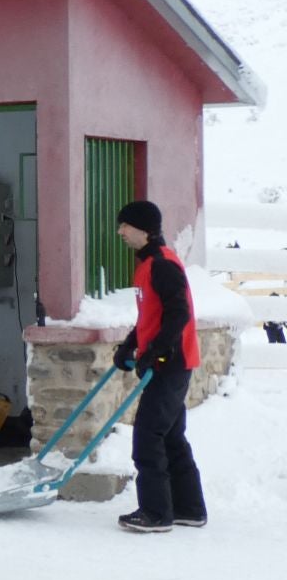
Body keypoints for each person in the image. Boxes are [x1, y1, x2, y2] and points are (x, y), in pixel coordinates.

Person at [111, 200, 208, 533]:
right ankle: (189, 509)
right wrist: (130, 345)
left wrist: (157, 351)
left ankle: (155, 513)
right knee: (170, 436)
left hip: (172, 362)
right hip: (168, 360)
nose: (120, 231)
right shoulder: (149, 264)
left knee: (148, 436)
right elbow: (151, 317)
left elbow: (179, 313)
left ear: (144, 229)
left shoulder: (163, 264)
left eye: (125, 225)